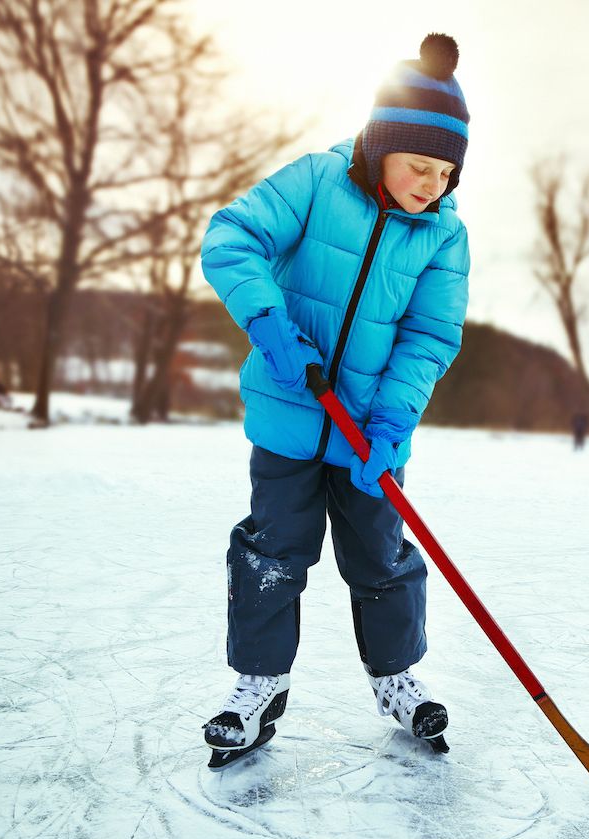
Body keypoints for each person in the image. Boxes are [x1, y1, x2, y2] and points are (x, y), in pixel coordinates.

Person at [197, 34, 471, 766]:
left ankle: (397, 680)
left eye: (446, 172)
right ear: (380, 145)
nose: (431, 185)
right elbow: (231, 238)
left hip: (370, 435)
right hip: (290, 419)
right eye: (418, 164)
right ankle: (256, 687)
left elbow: (430, 336)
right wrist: (267, 322)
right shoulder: (317, 182)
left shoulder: (444, 237)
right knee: (271, 555)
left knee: (381, 559)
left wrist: (390, 420)